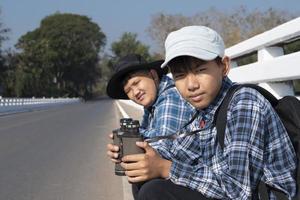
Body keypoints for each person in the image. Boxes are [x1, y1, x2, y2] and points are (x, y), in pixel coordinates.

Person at [120, 26, 297, 200]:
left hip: (256, 194)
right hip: (229, 189)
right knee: (145, 176)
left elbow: (238, 191)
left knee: (155, 192)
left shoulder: (244, 103)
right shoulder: (204, 109)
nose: (191, 85)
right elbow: (178, 149)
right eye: (180, 76)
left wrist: (166, 168)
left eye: (200, 70)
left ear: (224, 66)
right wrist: (142, 154)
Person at [106, 54, 194, 198]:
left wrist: (130, 147)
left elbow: (163, 147)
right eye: (128, 90)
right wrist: (123, 145)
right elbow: (149, 135)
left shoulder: (170, 96)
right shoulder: (152, 105)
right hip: (183, 169)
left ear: (153, 75)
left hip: (196, 174)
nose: (135, 92)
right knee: (139, 176)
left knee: (150, 186)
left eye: (136, 83)